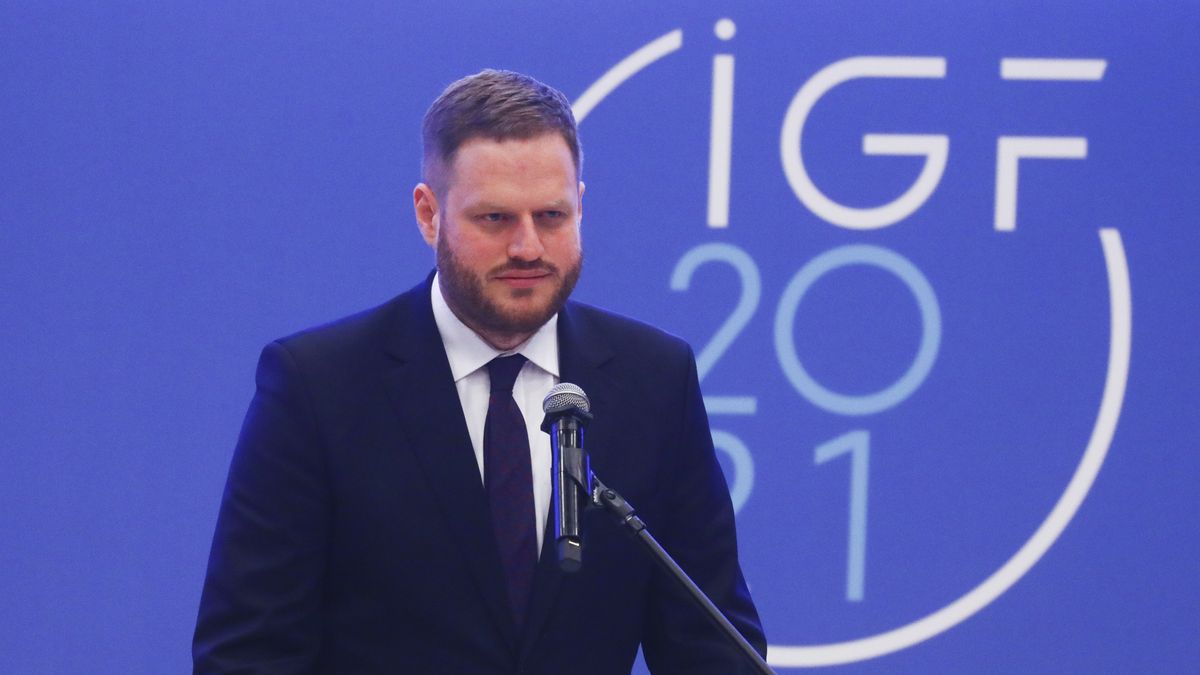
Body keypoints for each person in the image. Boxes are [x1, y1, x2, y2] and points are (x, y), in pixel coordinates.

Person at [193, 69, 765, 674]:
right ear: (428, 214)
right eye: (494, 219)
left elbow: (713, 647)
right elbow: (248, 653)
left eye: (551, 216)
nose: (527, 248)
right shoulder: (318, 387)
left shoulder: (654, 379)